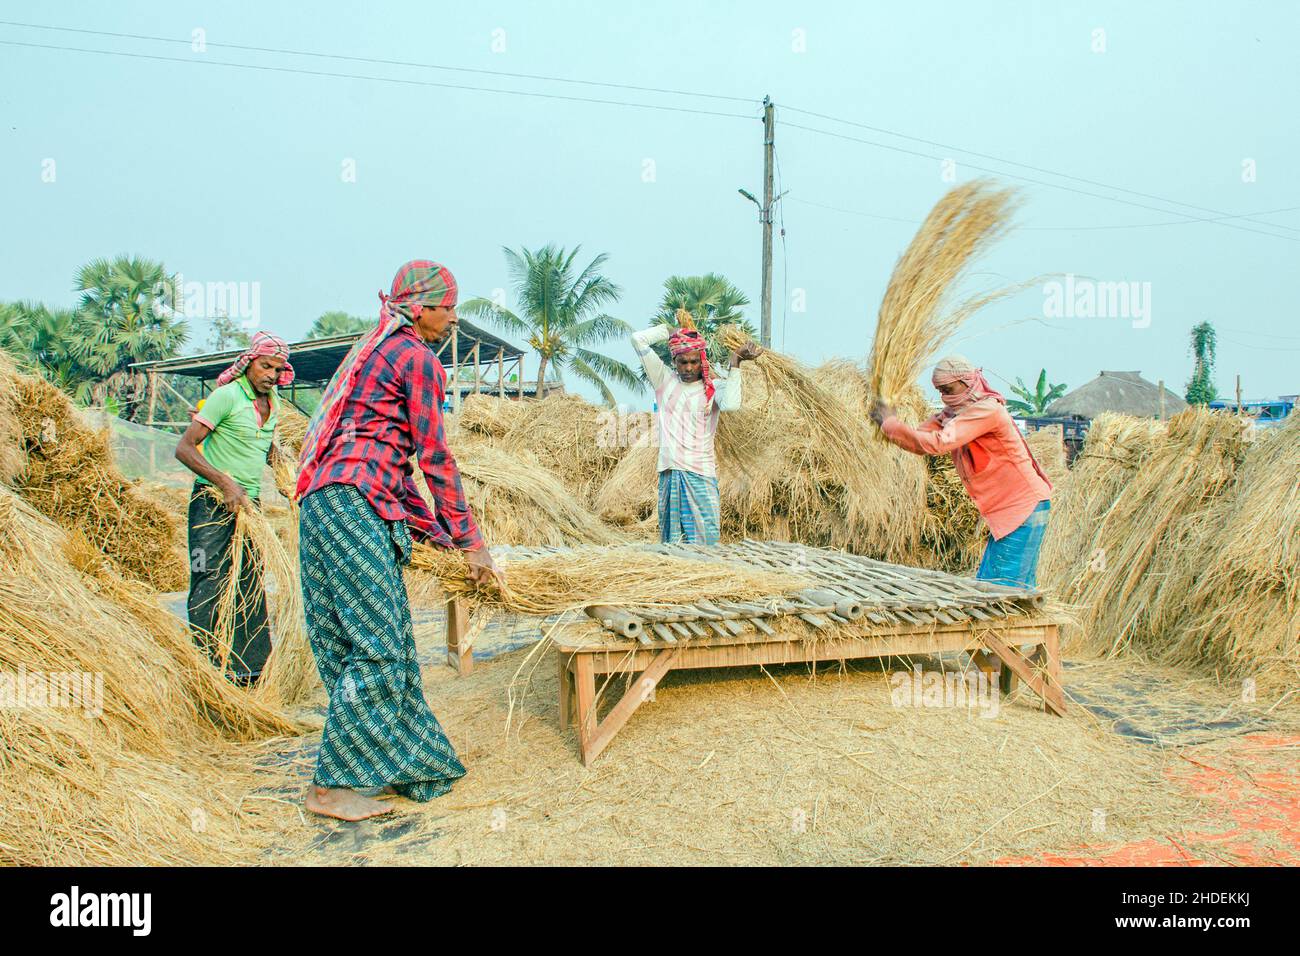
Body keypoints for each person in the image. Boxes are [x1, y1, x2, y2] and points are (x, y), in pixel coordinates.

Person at [295, 260, 499, 822]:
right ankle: (330, 787)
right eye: (449, 307)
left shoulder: (373, 354)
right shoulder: (416, 359)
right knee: (381, 650)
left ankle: (406, 767)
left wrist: (438, 539)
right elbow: (434, 458)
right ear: (420, 308)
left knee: (353, 646)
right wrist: (471, 542)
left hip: (322, 505)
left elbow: (393, 469)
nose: (454, 319)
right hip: (353, 507)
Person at [870, 356, 1053, 684]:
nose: (944, 397)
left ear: (967, 383)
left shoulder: (985, 411)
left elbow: (938, 443)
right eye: (939, 391)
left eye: (949, 389)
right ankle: (1013, 669)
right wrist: (890, 422)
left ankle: (1013, 671)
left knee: (994, 595)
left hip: (1023, 506)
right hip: (1010, 510)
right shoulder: (955, 413)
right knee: (1007, 592)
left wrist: (891, 426)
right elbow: (922, 438)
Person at [175, 331, 293, 686]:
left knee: (250, 581)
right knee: (210, 578)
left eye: (278, 369)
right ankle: (207, 669)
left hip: (249, 504)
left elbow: (265, 448)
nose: (270, 374)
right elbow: (185, 448)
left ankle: (251, 671)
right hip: (212, 503)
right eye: (265, 366)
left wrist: (287, 478)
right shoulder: (225, 397)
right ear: (249, 364)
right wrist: (224, 482)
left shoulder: (273, 405)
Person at [631, 309, 761, 545]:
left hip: (700, 475)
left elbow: (731, 404)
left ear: (701, 360)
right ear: (674, 362)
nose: (688, 368)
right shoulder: (663, 381)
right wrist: (669, 331)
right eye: (682, 362)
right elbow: (637, 339)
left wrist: (735, 362)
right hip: (670, 474)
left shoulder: (713, 389)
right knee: (672, 545)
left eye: (693, 362)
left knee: (705, 543)